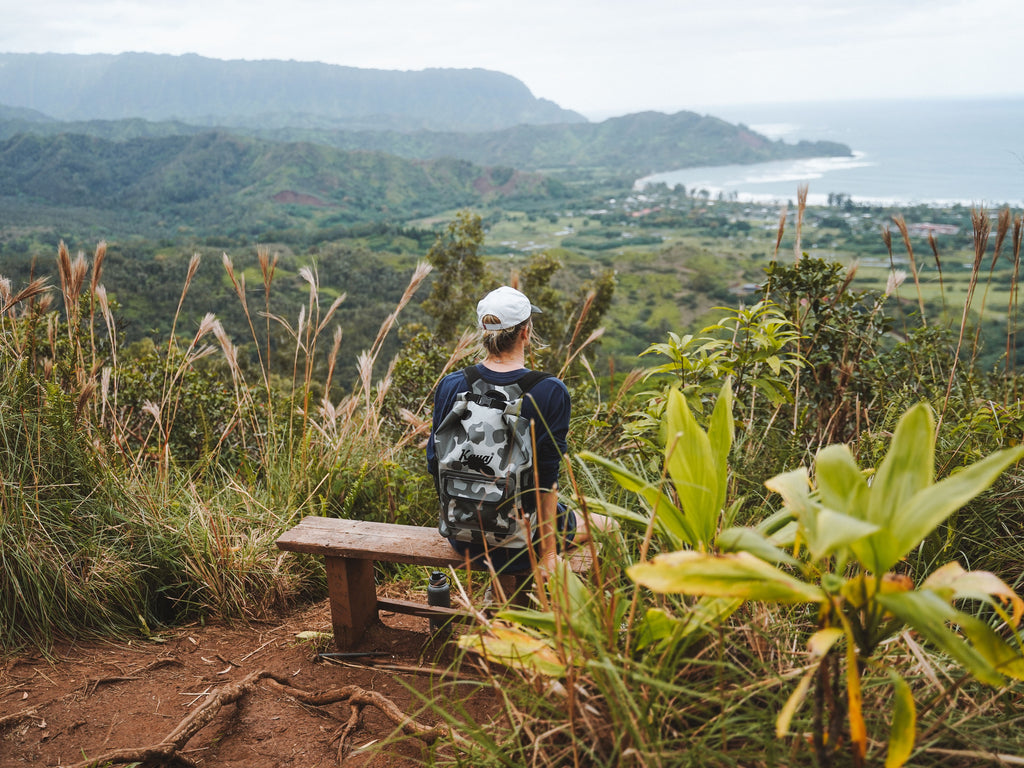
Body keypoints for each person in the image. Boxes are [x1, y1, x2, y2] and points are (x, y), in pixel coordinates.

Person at [426, 285, 611, 575]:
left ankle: (495, 595)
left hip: (461, 538)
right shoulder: (549, 390)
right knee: (610, 524)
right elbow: (547, 482)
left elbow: (433, 461)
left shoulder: (451, 384)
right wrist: (548, 553)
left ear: (484, 333)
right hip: (523, 543)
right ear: (525, 332)